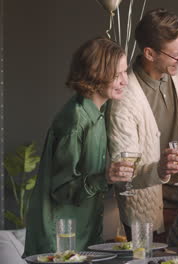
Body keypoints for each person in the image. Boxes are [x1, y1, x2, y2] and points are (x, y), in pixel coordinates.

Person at [24, 37, 131, 255]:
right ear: (95, 73)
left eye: (125, 72)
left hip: (84, 236)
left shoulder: (99, 116)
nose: (125, 80)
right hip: (59, 242)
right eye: (116, 74)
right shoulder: (74, 120)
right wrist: (106, 177)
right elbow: (62, 190)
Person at [107, 8, 178, 243]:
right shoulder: (124, 99)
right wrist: (159, 170)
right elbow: (125, 174)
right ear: (149, 53)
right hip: (150, 216)